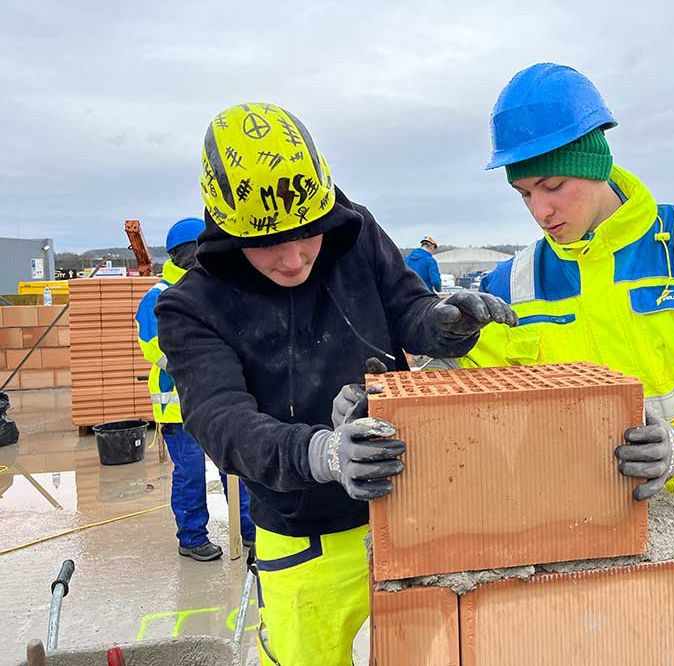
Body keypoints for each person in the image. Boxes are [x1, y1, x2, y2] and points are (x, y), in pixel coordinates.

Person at [155, 102, 516, 664]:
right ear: (227, 230)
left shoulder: (355, 234)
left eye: (308, 235)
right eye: (269, 243)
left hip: (408, 508)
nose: (295, 258)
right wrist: (323, 453)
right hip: (303, 536)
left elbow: (407, 307)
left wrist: (445, 324)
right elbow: (220, 419)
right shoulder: (192, 306)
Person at [441, 63, 674, 500]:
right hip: (599, 523)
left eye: (553, 185)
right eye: (524, 194)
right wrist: (400, 382)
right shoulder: (511, 285)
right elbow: (458, 393)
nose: (540, 211)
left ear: (595, 164)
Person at [135, 218, 255, 561]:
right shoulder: (158, 296)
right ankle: (191, 538)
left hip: (216, 402)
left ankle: (248, 528)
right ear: (180, 254)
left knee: (233, 469)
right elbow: (153, 345)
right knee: (189, 474)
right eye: (196, 251)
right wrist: (201, 364)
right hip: (177, 405)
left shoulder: (213, 289)